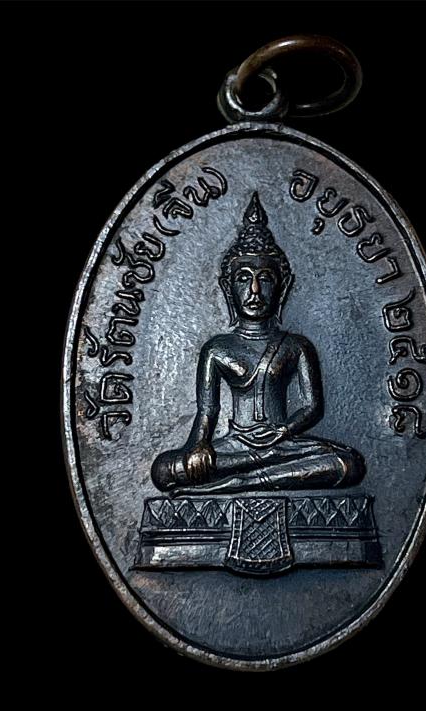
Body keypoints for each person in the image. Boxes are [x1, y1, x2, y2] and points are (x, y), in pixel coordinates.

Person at [151, 192, 365, 496]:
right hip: (234, 446)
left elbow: (312, 406)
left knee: (348, 464)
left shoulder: (295, 346)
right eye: (243, 278)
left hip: (283, 443)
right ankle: (254, 472)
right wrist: (198, 444)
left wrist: (283, 431)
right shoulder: (217, 349)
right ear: (228, 287)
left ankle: (239, 482)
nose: (254, 290)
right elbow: (207, 410)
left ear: (282, 287)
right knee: (164, 470)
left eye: (265, 279)